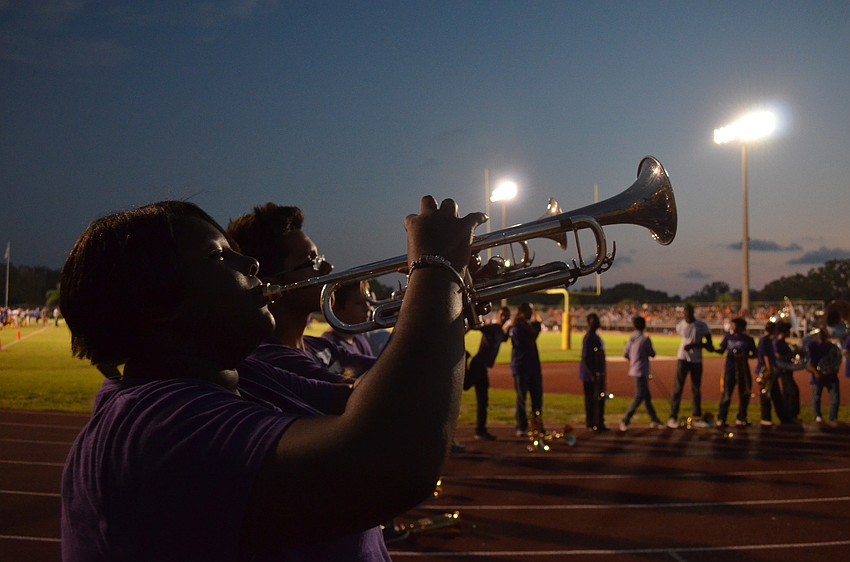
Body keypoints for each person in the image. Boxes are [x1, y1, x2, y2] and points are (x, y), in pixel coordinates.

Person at [59, 197, 484, 560]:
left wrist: (445, 297)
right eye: (218, 256)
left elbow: (365, 400)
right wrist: (436, 268)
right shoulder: (152, 425)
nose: (251, 262)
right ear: (155, 301)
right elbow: (391, 458)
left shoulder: (242, 370)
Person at [227, 203, 375, 383]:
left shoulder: (318, 345)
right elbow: (375, 397)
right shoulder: (274, 359)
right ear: (271, 288)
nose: (328, 268)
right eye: (312, 261)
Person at [465, 306, 511, 440]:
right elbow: (477, 327)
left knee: (482, 400)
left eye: (506, 315)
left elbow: (504, 338)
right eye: (502, 315)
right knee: (469, 388)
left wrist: (510, 327)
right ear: (498, 315)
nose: (504, 317)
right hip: (478, 365)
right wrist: (464, 331)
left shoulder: (500, 331)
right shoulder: (493, 328)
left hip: (481, 367)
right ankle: (480, 430)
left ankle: (480, 430)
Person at [667, 303, 715, 429]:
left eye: (689, 311)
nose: (687, 314)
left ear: (693, 312)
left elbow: (710, 346)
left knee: (696, 389)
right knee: (677, 388)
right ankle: (672, 417)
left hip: (696, 360)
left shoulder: (702, 325)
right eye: (685, 311)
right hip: (682, 358)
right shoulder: (680, 326)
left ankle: (697, 416)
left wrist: (695, 345)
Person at [619, 315, 663, 431]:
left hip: (634, 370)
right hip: (641, 371)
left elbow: (625, 354)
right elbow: (652, 353)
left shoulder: (631, 339)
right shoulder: (645, 339)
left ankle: (654, 419)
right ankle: (625, 420)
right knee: (639, 397)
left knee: (647, 397)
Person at [715, 317, 757, 428]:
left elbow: (755, 353)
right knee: (726, 395)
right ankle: (721, 418)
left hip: (743, 370)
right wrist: (709, 347)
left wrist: (745, 356)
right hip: (730, 369)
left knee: (744, 395)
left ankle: (741, 417)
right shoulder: (728, 337)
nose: (731, 327)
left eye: (733, 325)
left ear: (740, 326)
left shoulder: (748, 339)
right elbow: (721, 349)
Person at [509, 302, 544, 436]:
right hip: (521, 367)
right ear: (523, 312)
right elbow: (530, 340)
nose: (531, 313)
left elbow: (536, 328)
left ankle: (538, 425)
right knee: (521, 399)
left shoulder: (528, 325)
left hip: (533, 367)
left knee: (537, 399)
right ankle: (521, 426)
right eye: (529, 311)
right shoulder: (517, 328)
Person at [754, 321, 791, 426]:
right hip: (766, 371)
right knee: (767, 395)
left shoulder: (766, 339)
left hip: (768, 369)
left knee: (775, 395)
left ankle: (782, 418)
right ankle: (767, 419)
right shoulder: (765, 340)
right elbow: (766, 356)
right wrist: (770, 370)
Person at [579, 312, 609, 432]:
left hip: (598, 373)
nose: (597, 323)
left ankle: (599, 422)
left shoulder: (595, 337)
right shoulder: (589, 337)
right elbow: (585, 357)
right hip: (590, 375)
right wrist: (591, 374)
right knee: (590, 400)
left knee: (599, 399)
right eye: (595, 321)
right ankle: (591, 423)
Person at [805, 327, 841, 424]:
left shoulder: (831, 347)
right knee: (816, 397)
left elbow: (837, 359)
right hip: (818, 376)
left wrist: (834, 369)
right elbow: (807, 363)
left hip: (831, 375)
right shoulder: (812, 346)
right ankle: (817, 416)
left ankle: (833, 417)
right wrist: (816, 372)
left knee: (835, 397)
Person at [774, 321, 802, 422]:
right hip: (783, 370)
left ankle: (788, 416)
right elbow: (778, 356)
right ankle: (792, 415)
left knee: (787, 393)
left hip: (787, 370)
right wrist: (792, 354)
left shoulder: (783, 343)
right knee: (793, 391)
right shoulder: (778, 343)